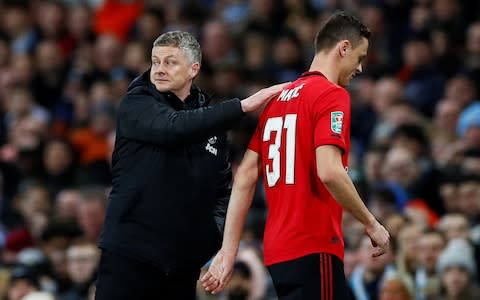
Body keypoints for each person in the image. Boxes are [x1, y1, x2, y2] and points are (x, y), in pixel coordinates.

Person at [202, 11, 390, 299]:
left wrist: (228, 251)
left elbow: (244, 177)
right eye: (360, 58)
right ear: (344, 48)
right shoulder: (332, 95)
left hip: (278, 253)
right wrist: (371, 223)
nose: (360, 68)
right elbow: (329, 171)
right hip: (314, 245)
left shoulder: (278, 100)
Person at [94, 31, 288, 300]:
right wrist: (242, 106)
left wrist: (209, 244)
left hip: (181, 266)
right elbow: (174, 128)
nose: (159, 69)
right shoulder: (137, 102)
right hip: (131, 255)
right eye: (155, 61)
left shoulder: (211, 123)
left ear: (193, 68)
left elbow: (221, 194)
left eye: (170, 62)